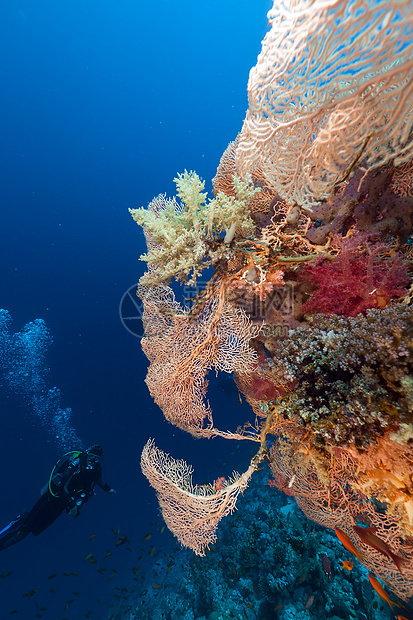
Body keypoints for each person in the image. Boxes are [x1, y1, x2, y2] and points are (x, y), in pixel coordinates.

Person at [0, 445, 115, 551]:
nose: (93, 461)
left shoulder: (95, 469)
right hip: (51, 499)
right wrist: (71, 505)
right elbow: (61, 485)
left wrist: (109, 489)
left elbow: (99, 480)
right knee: (22, 532)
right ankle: (19, 522)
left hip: (61, 504)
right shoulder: (76, 464)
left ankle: (25, 517)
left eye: (96, 459)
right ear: (86, 455)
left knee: (36, 530)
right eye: (91, 457)